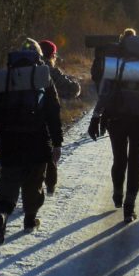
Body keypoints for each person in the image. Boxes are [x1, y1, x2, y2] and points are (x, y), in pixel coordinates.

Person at [0, 38, 63, 244]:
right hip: (37, 140)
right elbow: (53, 113)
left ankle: (2, 215)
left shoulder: (8, 78)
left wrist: (4, 135)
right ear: (39, 57)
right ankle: (30, 220)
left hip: (11, 141)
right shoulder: (43, 76)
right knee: (34, 183)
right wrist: (57, 142)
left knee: (9, 182)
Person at [88, 27, 139, 223]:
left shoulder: (116, 63)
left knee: (119, 158)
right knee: (136, 162)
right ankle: (130, 207)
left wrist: (96, 116)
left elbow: (104, 92)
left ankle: (118, 193)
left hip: (116, 118)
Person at [39, 38, 81, 194]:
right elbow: (72, 89)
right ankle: (49, 184)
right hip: (46, 118)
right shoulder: (50, 70)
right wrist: (76, 83)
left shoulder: (25, 69)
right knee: (49, 150)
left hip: (23, 118)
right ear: (52, 55)